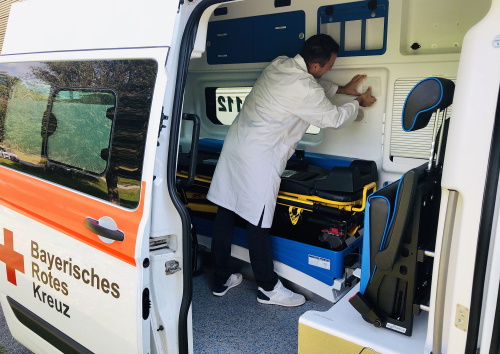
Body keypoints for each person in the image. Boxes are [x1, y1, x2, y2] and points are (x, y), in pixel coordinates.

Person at [206, 34, 376, 307]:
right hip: (259, 159)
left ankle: (221, 279)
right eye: (330, 65)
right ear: (316, 66)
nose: (331, 68)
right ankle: (267, 288)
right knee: (258, 223)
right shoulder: (304, 88)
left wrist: (343, 88)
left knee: (226, 212)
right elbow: (332, 118)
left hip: (236, 148)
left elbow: (313, 86)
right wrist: (357, 104)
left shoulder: (280, 64)